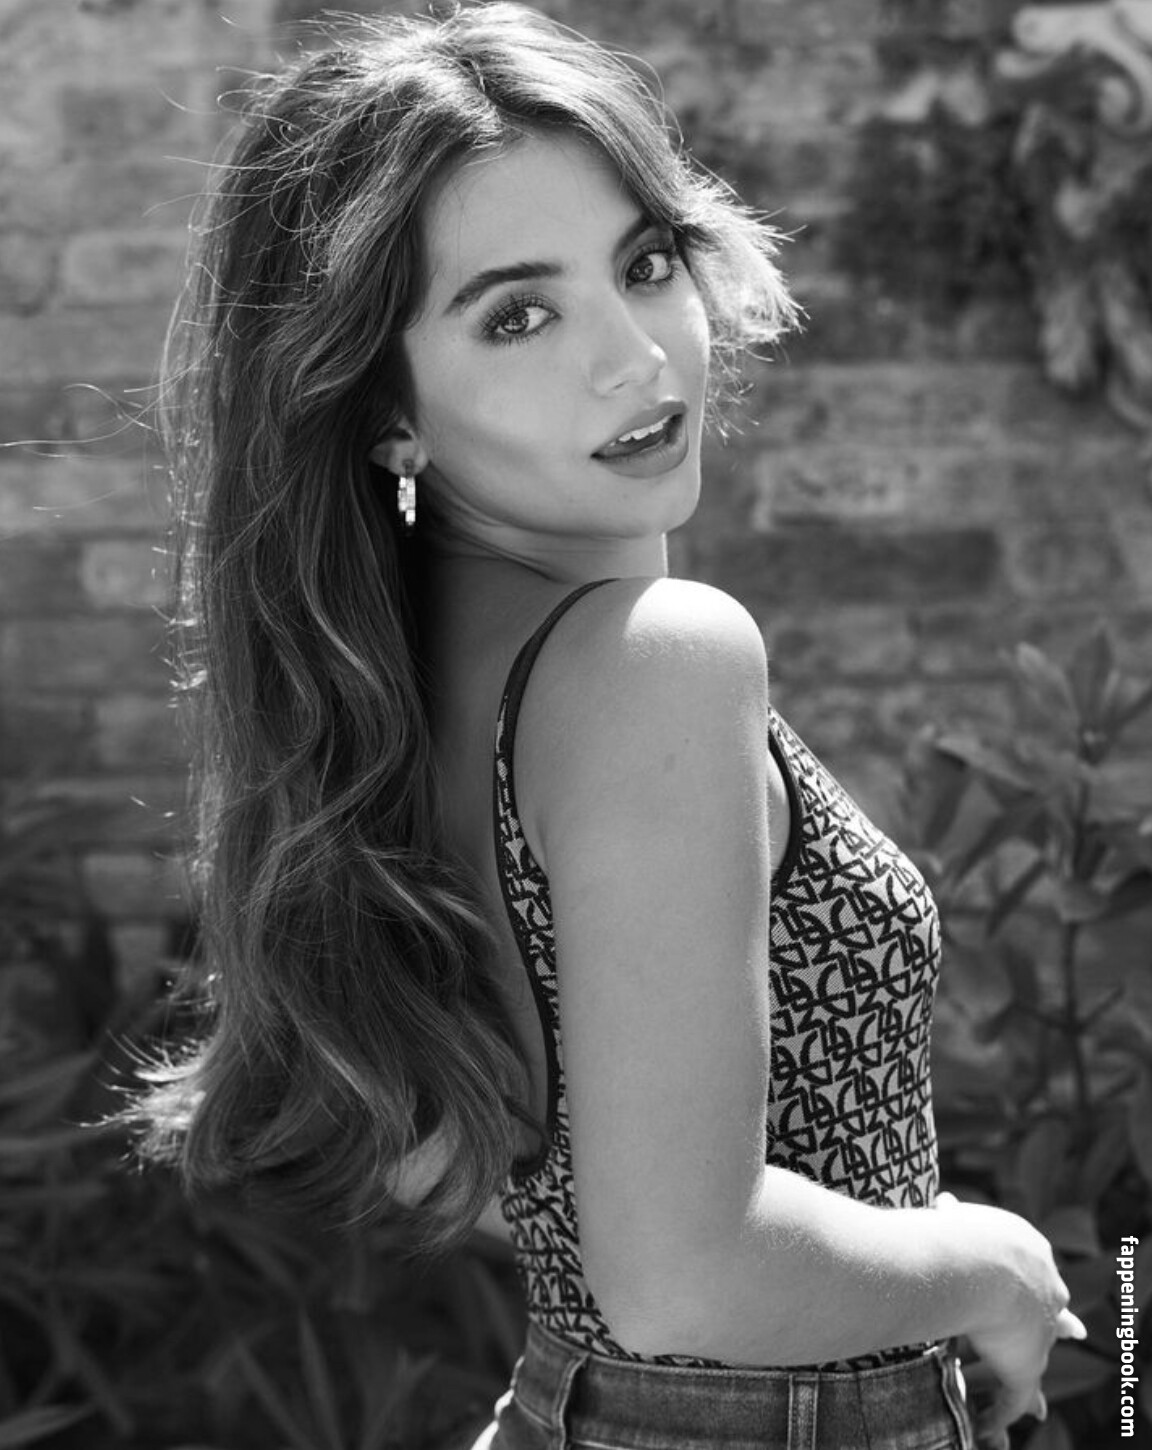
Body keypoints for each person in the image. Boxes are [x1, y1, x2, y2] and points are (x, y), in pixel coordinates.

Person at [133, 5, 1086, 1447]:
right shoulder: (659, 661)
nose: (637, 355)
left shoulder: (398, 691)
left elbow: (469, 1161)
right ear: (386, 411)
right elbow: (684, 1278)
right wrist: (991, 1265)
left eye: (644, 264)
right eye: (518, 314)